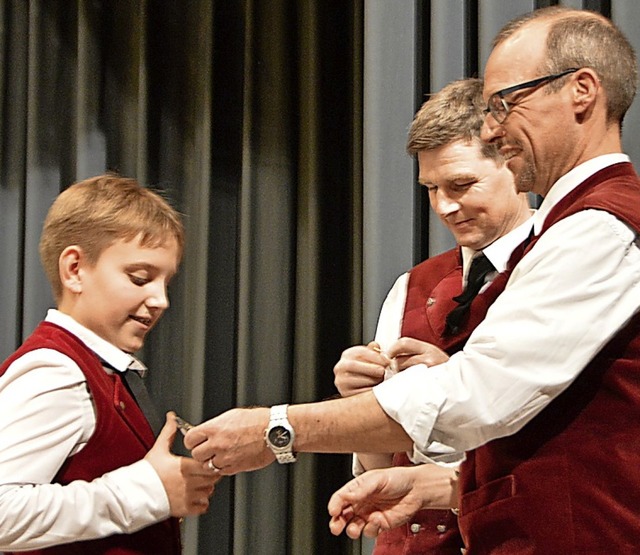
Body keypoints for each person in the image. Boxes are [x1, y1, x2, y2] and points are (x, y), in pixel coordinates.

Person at [185, 6, 640, 553]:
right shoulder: (575, 228)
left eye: (506, 102)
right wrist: (433, 484)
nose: (493, 127)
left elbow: (476, 396)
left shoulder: (600, 229)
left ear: (581, 91)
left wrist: (276, 429)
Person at [333, 77, 532, 554]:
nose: (445, 206)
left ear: (513, 163)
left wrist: (455, 386)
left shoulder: (562, 269)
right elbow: (382, 471)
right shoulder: (411, 287)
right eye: (431, 188)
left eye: (462, 184)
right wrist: (360, 399)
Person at [0, 174, 219, 554]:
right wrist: (149, 490)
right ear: (74, 270)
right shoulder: (57, 371)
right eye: (140, 278)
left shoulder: (96, 369)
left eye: (166, 282)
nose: (161, 299)